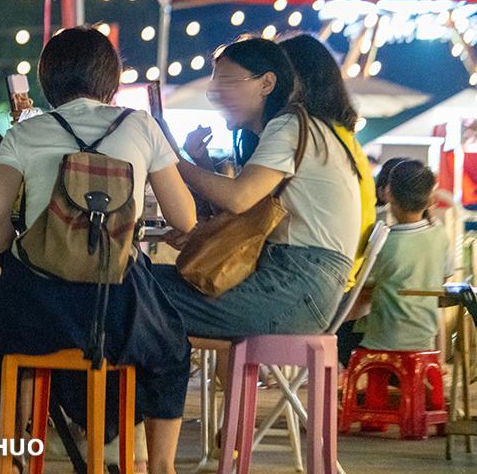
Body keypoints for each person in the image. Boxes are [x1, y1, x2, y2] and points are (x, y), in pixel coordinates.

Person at [0, 27, 197, 474]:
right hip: (117, 310)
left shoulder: (26, 133)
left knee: (7, 345)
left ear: (47, 81)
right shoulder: (141, 125)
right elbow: (185, 219)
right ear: (112, 80)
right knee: (172, 348)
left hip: (39, 311)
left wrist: (16, 260)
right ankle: (160, 465)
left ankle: (15, 456)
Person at [154, 37, 361, 339]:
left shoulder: (288, 124)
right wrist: (195, 161)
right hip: (304, 287)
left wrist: (170, 159)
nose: (217, 96)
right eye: (215, 87)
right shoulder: (304, 126)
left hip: (297, 288)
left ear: (267, 83)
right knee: (143, 286)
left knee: (139, 292)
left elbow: (239, 198)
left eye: (227, 83)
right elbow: (241, 206)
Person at [277, 33, 375, 292]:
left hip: (319, 281)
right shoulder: (339, 136)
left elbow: (245, 205)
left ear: (294, 80)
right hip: (342, 275)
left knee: (165, 295)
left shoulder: (302, 133)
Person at [340, 160, 450, 365]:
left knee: (340, 331)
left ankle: (361, 386)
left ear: (388, 193)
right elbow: (444, 277)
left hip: (382, 340)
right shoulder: (440, 235)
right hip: (423, 337)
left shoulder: (384, 241)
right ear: (429, 199)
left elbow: (363, 288)